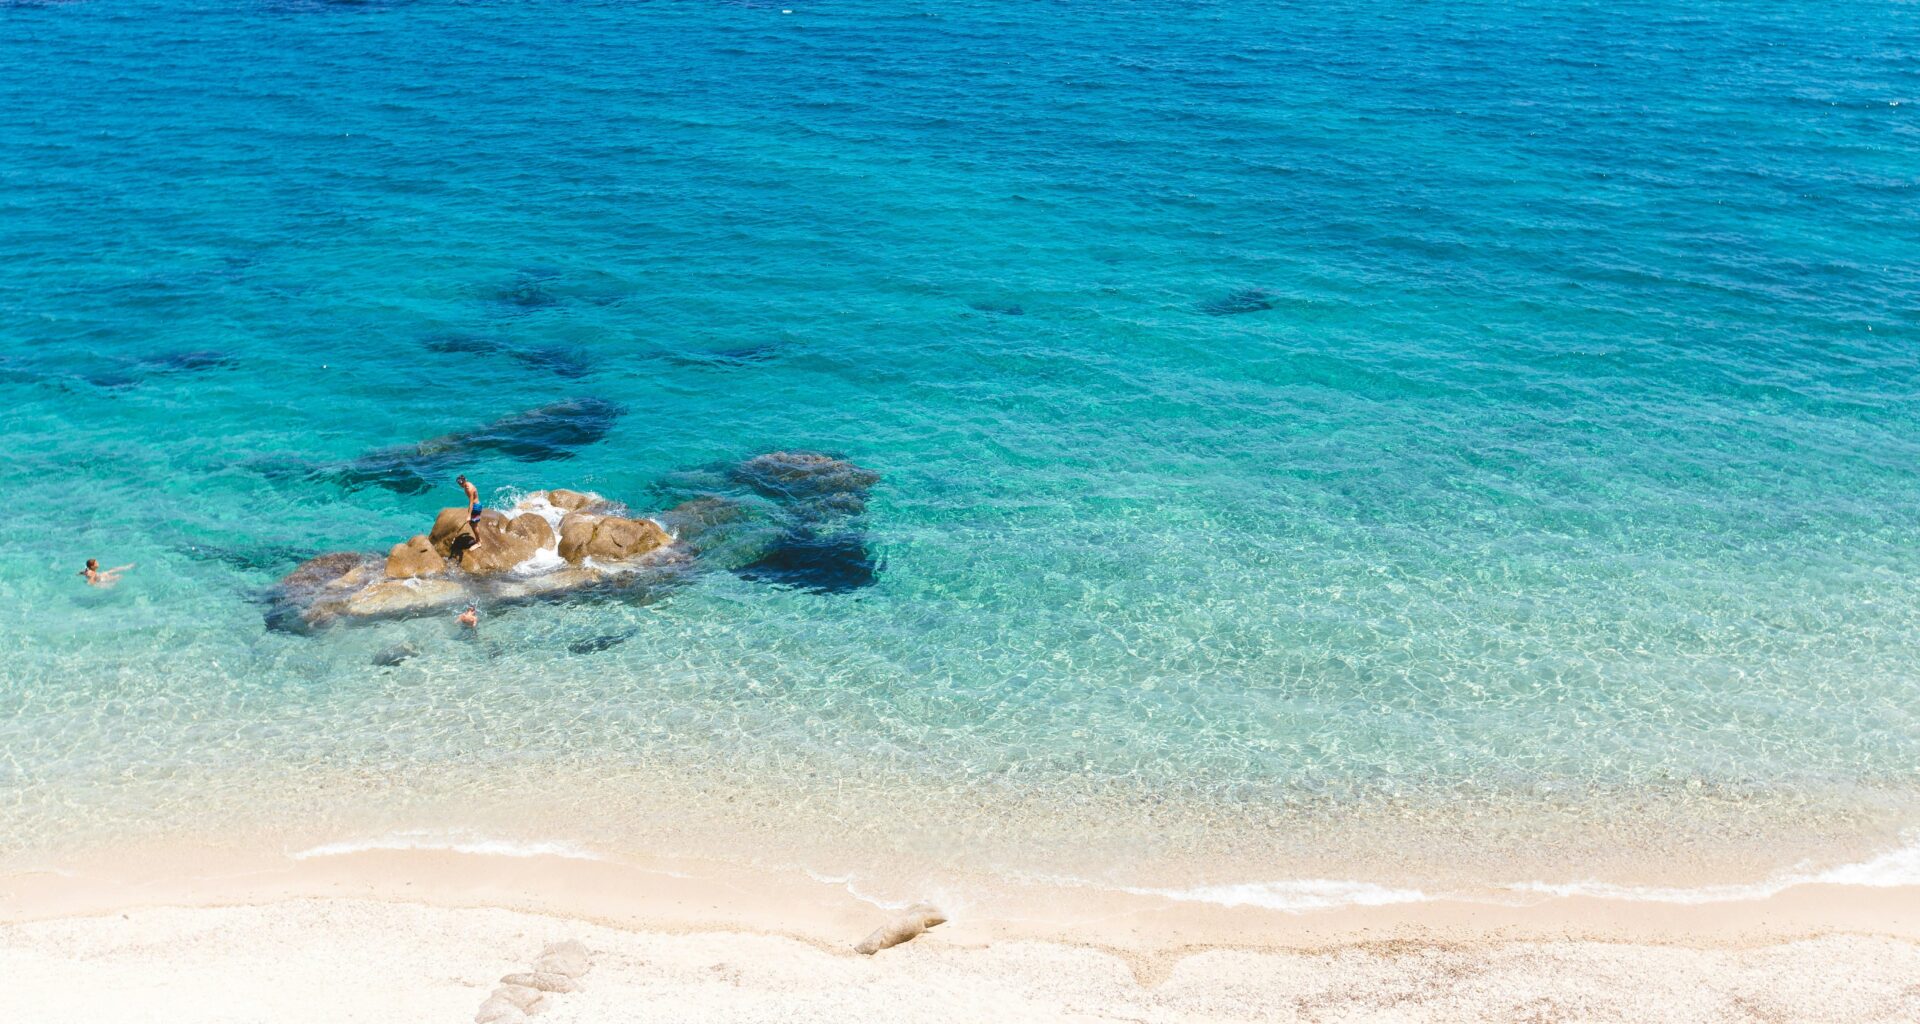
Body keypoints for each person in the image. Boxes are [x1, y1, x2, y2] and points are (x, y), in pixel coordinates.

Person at [457, 474, 482, 551]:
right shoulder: (467, 484)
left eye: (460, 483)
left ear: (464, 481)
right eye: (458, 483)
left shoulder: (469, 488)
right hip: (476, 505)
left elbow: (471, 502)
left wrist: (468, 515)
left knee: (474, 526)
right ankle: (478, 539)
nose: (460, 485)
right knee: (472, 524)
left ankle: (478, 542)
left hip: (475, 507)